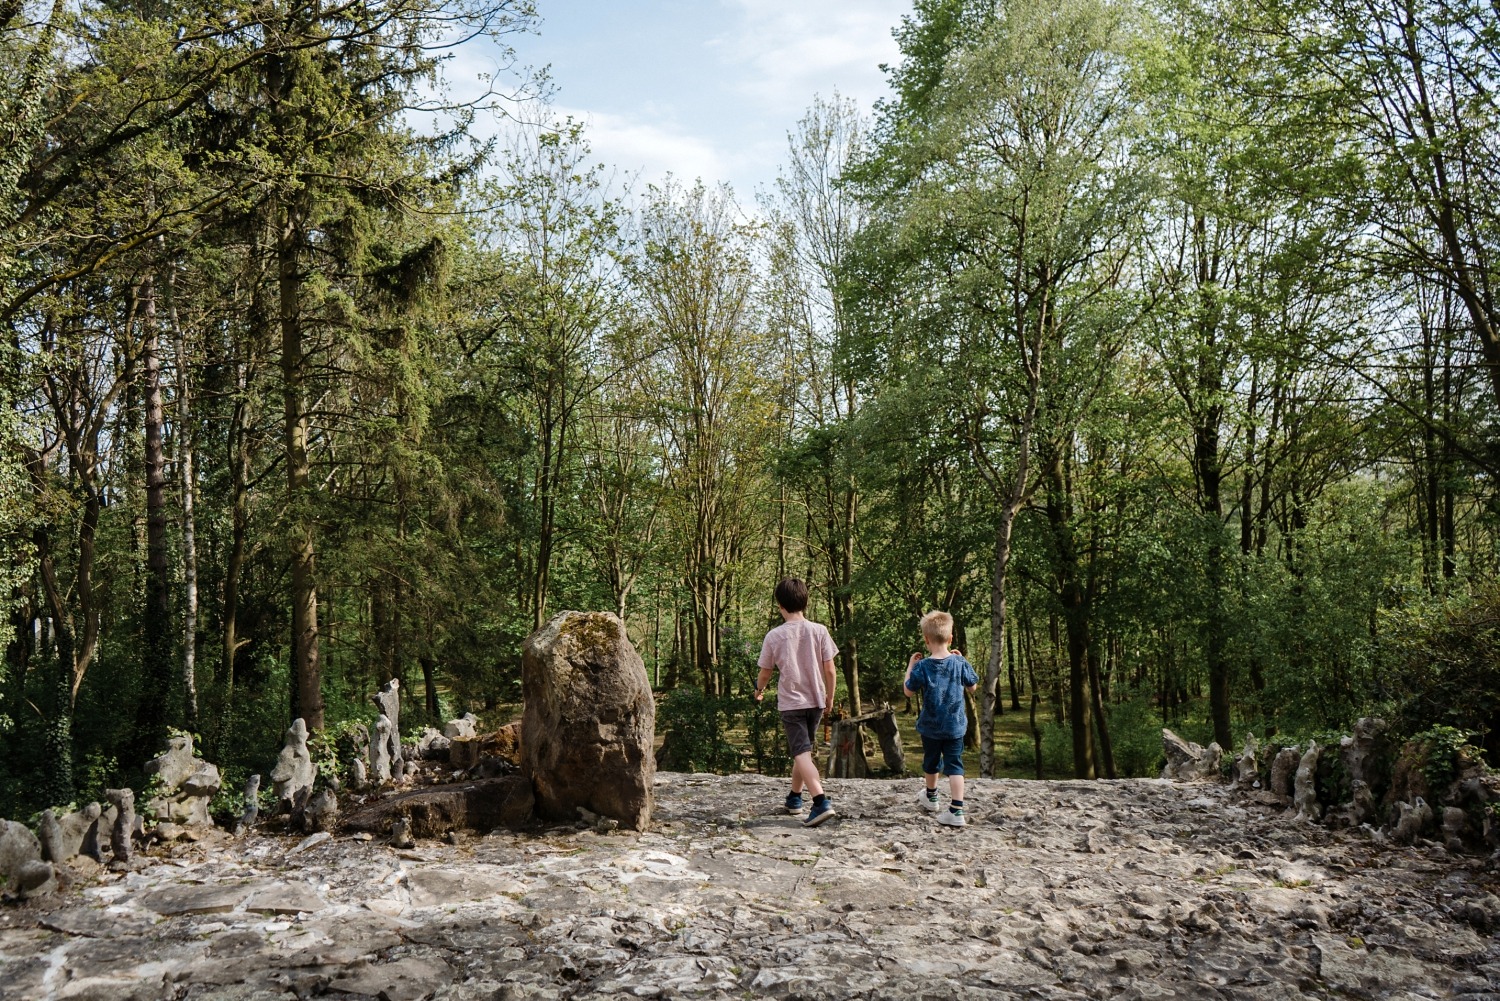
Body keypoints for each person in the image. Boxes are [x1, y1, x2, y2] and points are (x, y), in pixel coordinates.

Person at [753, 577, 839, 826]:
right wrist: (829, 697)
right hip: (816, 701)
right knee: (803, 751)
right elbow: (831, 670)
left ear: (779, 604)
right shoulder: (819, 630)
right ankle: (794, 798)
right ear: (805, 602)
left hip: (792, 703)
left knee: (801, 753)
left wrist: (759, 690)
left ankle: (820, 801)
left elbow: (766, 672)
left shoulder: (774, 636)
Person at [903, 610, 979, 827]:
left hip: (931, 727)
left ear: (926, 640)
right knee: (955, 765)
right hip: (955, 726)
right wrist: (962, 659)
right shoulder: (959, 662)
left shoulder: (923, 666)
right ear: (950, 638)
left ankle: (932, 797)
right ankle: (956, 809)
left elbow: (908, 691)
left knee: (931, 762)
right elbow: (973, 687)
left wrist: (910, 667)